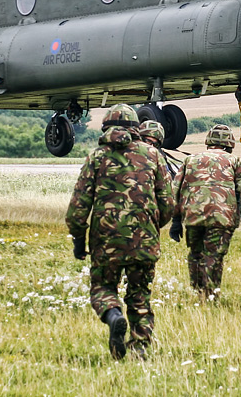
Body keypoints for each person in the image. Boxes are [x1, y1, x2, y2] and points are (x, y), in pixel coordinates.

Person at [65, 104, 174, 360]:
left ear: (105, 127)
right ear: (136, 128)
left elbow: (78, 207)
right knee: (140, 298)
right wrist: (152, 227)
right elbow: (168, 203)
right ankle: (140, 351)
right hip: (144, 241)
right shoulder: (153, 156)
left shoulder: (97, 157)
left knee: (102, 288)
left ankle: (113, 314)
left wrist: (79, 241)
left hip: (106, 241)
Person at [170, 123, 241, 300]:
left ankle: (197, 292)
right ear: (229, 143)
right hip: (222, 217)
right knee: (214, 255)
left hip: (193, 216)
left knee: (195, 254)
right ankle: (209, 296)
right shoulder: (235, 161)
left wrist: (176, 220)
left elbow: (175, 189)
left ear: (208, 141)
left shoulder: (190, 160)